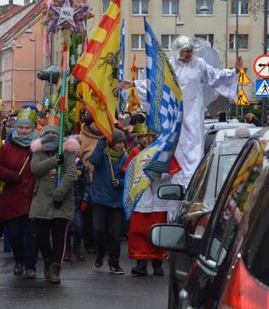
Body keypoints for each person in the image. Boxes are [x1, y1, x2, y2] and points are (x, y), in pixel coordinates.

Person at [122, 36, 240, 189]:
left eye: (190, 51)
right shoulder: (169, 66)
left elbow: (215, 76)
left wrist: (234, 71)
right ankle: (176, 182)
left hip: (194, 113)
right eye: (185, 51)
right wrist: (134, 83)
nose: (189, 54)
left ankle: (193, 182)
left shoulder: (200, 65)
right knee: (177, 146)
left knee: (194, 145)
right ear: (178, 51)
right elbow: (156, 84)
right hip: (174, 114)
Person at [29, 125, 79, 284]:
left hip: (62, 201)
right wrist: (54, 161)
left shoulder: (68, 150)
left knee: (59, 237)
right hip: (42, 200)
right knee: (42, 237)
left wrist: (59, 193)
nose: (50, 135)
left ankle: (56, 269)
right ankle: (48, 261)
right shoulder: (38, 151)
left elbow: (71, 173)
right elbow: (35, 169)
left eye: (54, 133)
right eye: (47, 133)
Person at [0, 107, 40, 279]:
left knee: (31, 235)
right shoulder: (7, 147)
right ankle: (18, 260)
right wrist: (11, 176)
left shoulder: (38, 146)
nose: (23, 130)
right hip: (13, 197)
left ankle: (30, 265)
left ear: (33, 128)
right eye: (21, 127)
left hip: (32, 196)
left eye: (27, 128)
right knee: (14, 234)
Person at [124, 124, 171, 276]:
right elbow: (128, 173)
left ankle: (158, 264)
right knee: (138, 231)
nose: (145, 139)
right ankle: (141, 264)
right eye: (142, 137)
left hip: (158, 198)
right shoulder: (136, 153)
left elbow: (171, 172)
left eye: (147, 136)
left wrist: (156, 174)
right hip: (141, 197)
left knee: (158, 232)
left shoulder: (163, 152)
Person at [89, 129, 127, 275]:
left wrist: (121, 182)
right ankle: (100, 253)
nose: (121, 145)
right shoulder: (103, 156)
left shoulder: (125, 158)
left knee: (115, 233)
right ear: (111, 143)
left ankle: (114, 262)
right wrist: (102, 141)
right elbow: (93, 160)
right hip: (100, 199)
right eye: (118, 142)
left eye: (123, 142)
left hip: (116, 202)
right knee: (98, 230)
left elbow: (129, 178)